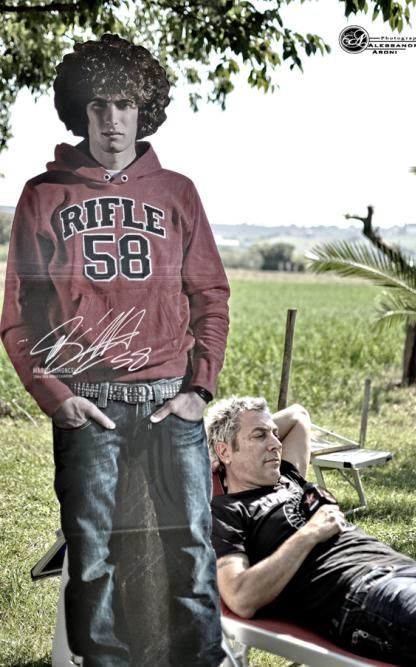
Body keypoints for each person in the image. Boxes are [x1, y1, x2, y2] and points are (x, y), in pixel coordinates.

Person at [1, 34, 229, 667]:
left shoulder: (177, 192)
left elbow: (210, 294)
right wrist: (55, 396)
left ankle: (203, 662)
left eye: (125, 104)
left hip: (168, 403)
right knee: (91, 554)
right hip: (88, 405)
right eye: (98, 105)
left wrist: (199, 388)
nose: (111, 120)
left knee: (192, 550)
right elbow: (19, 313)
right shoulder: (43, 194)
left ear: (143, 110)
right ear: (80, 111)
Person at [207, 396, 416, 667]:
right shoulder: (225, 512)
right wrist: (310, 533)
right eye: (259, 435)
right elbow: (241, 596)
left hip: (410, 571)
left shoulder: (288, 478)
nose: (276, 443)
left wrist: (247, 430)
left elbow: (298, 415)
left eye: (274, 433)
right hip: (365, 590)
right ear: (225, 452)